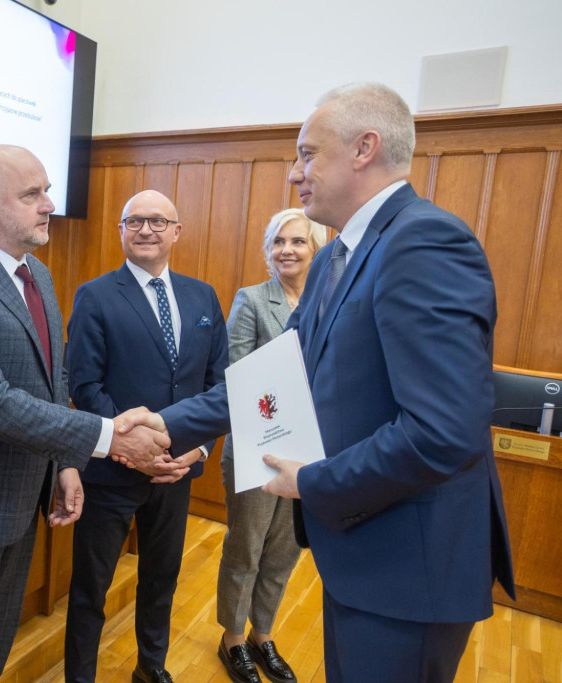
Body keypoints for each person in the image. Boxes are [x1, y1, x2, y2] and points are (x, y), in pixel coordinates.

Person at [261, 83, 515, 682]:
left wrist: (313, 482)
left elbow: (442, 433)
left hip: (410, 571)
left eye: (307, 154)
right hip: (361, 555)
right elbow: (278, 374)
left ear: (364, 148)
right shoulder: (334, 258)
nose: (295, 173)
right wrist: (167, 424)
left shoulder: (424, 241)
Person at [0, 145, 174, 682]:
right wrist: (109, 437)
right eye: (32, 194)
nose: (49, 204)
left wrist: (66, 463)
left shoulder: (38, 275)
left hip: (23, 502)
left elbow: (55, 382)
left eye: (47, 190)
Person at [64, 190, 229, 683]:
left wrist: (197, 448)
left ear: (177, 232)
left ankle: (151, 668)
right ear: (121, 231)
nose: (145, 230)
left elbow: (218, 384)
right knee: (90, 589)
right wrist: (129, 448)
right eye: (134, 221)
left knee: (162, 579)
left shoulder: (203, 297)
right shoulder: (95, 295)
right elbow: (85, 385)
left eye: (158, 221)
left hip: (175, 473)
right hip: (110, 474)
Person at [215, 208, 326, 683]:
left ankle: (263, 634)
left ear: (317, 250)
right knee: (246, 548)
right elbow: (238, 373)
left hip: (308, 453)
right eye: (279, 242)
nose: (287, 250)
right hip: (258, 447)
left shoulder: (329, 301)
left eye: (298, 241)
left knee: (284, 549)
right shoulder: (252, 300)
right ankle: (233, 638)